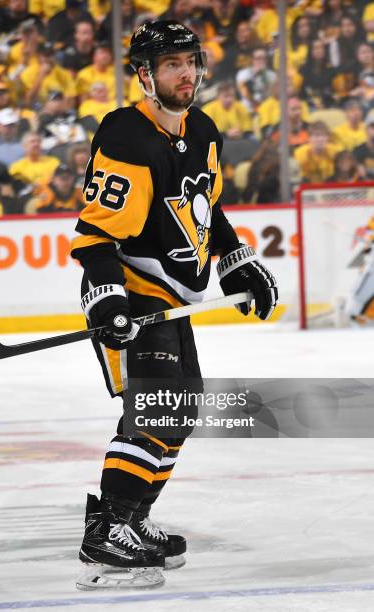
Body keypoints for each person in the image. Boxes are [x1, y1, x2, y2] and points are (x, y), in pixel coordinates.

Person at [70, 20, 278, 589]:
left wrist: (237, 260)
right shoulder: (125, 137)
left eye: (189, 61)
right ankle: (106, 532)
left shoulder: (203, 128)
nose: (185, 73)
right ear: (145, 75)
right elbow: (95, 237)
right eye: (170, 65)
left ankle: (131, 519)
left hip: (176, 301)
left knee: (179, 414)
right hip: (138, 301)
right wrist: (106, 298)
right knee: (153, 413)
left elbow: (205, 210)